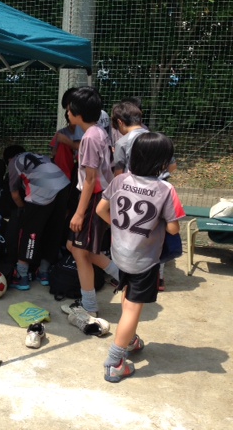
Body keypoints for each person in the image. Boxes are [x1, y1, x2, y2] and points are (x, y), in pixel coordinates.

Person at [96, 133, 185, 382]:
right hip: (144, 258)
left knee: (128, 294)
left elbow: (101, 209)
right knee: (135, 306)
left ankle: (129, 339)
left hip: (120, 252)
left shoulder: (119, 180)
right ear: (162, 162)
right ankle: (115, 362)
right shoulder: (166, 189)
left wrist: (119, 228)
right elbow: (173, 228)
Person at [64, 86, 120, 318]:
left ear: (77, 113)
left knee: (79, 252)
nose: (67, 113)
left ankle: (89, 306)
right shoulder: (98, 132)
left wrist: (79, 213)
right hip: (99, 197)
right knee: (77, 248)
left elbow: (90, 179)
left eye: (69, 109)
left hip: (94, 198)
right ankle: (124, 277)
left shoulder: (89, 138)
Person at [111, 99, 177, 291]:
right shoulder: (155, 138)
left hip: (132, 196)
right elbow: (172, 165)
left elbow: (118, 174)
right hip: (159, 193)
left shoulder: (122, 142)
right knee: (157, 236)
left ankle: (125, 277)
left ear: (120, 122)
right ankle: (159, 278)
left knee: (133, 236)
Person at [3, 145, 71, 290]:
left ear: (8, 159)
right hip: (64, 186)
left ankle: (22, 276)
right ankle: (44, 272)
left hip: (41, 190)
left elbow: (15, 195)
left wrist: (23, 209)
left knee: (30, 232)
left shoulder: (14, 162)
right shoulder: (39, 156)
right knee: (54, 231)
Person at [50, 87, 84, 180]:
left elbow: (82, 147)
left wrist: (67, 142)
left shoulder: (81, 121)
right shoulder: (62, 132)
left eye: (69, 109)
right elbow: (54, 152)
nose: (68, 113)